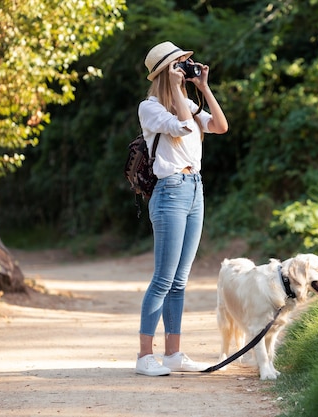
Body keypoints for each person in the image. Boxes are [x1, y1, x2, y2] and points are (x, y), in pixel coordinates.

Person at [135, 41, 228, 376]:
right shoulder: (150, 108)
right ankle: (145, 356)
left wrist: (203, 88)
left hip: (195, 190)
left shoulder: (186, 101)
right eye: (181, 65)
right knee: (163, 279)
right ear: (165, 71)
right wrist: (175, 91)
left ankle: (173, 353)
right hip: (170, 192)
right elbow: (185, 127)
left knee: (180, 281)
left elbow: (219, 126)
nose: (187, 69)